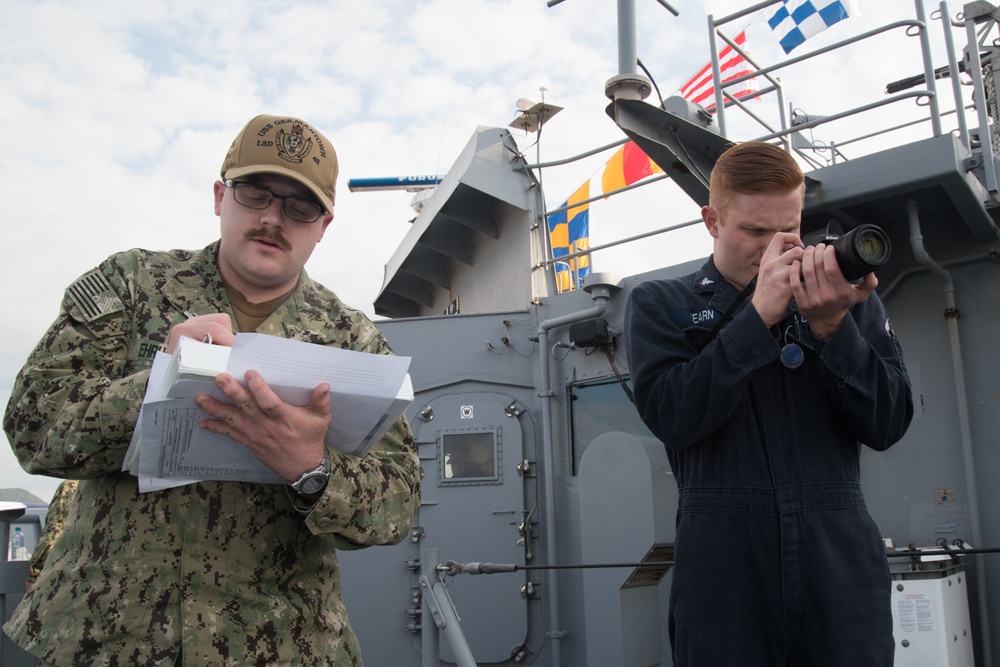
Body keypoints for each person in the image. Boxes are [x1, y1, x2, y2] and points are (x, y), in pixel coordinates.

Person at [3, 114, 421, 666]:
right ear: (221, 196)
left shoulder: (352, 341)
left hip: (281, 645)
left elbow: (397, 503)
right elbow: (32, 424)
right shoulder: (131, 285)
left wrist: (310, 466)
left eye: (300, 208)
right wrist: (157, 383)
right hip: (103, 637)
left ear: (323, 228)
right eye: (255, 194)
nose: (274, 219)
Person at [624, 141, 912, 666]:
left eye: (788, 229)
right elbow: (672, 415)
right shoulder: (659, 304)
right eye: (754, 231)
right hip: (724, 574)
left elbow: (889, 423)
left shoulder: (841, 302)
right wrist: (755, 318)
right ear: (712, 220)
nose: (773, 247)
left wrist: (833, 329)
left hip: (839, 564)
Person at [24, 479, 78, 592]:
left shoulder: (73, 486)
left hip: (79, 574)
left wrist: (34, 575)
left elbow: (53, 535)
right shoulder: (123, 480)